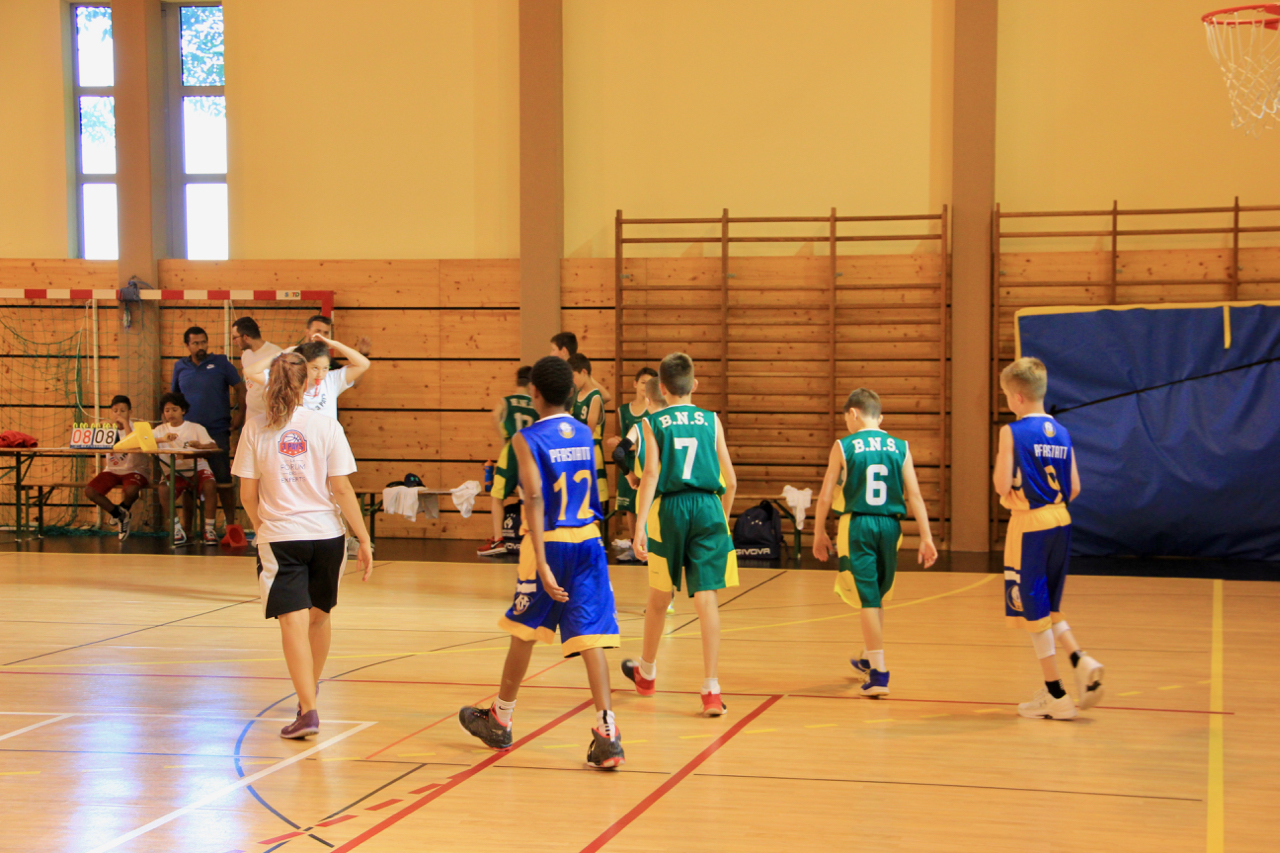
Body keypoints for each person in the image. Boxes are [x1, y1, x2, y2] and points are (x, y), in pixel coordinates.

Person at [458, 356, 624, 769]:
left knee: (524, 629)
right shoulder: (584, 431)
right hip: (589, 539)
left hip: (548, 541)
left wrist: (544, 562)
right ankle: (608, 732)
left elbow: (532, 496)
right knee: (590, 638)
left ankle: (500, 719)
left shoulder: (526, 438)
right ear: (570, 391)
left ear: (534, 392)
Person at [234, 351, 374, 740]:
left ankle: (308, 710)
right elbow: (341, 488)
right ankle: (306, 699)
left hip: (282, 537)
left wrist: (263, 527)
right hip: (328, 536)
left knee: (292, 623)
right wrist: (363, 538)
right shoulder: (326, 425)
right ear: (309, 383)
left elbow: (247, 495)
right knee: (319, 617)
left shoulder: (254, 428)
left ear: (269, 384)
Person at [625, 352, 738, 717]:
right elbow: (732, 480)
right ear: (695, 385)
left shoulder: (652, 422)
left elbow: (651, 475)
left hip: (669, 510)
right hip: (708, 507)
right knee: (706, 598)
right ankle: (711, 690)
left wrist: (640, 525)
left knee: (660, 595)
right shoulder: (711, 420)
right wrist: (721, 519)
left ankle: (647, 673)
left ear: (661, 388)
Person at [993, 357, 1104, 720]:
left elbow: (1000, 484)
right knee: (1050, 604)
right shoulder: (1063, 432)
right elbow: (1075, 487)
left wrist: (1011, 484)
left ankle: (1056, 695)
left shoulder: (1012, 431)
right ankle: (1080, 659)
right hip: (1061, 520)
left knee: (1034, 611)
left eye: (1006, 395)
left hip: (1030, 523)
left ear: (1018, 397)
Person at [811, 388, 939, 698]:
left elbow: (826, 495)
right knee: (878, 596)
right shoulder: (901, 446)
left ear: (853, 413)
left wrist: (818, 532)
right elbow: (915, 495)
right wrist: (926, 537)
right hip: (891, 526)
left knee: (867, 599)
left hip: (858, 524)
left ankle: (879, 674)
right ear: (879, 418)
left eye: (846, 418)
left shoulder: (843, 446)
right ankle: (870, 657)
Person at [170, 326, 245, 531]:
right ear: (187, 345)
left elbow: (240, 388)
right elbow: (174, 399)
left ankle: (231, 526)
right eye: (195, 343)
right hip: (189, 433)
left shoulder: (221, 362)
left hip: (217, 431)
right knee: (188, 479)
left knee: (223, 480)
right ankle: (188, 529)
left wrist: (240, 414)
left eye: (203, 342)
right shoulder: (180, 366)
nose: (200, 346)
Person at [478, 366, 539, 557]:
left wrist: (503, 438)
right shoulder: (536, 404)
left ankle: (498, 540)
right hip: (530, 453)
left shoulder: (505, 401)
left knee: (497, 496)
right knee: (528, 498)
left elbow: (494, 416)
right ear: (531, 384)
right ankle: (532, 539)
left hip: (512, 451)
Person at [247, 334, 370, 421]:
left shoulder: (332, 380)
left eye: (325, 368)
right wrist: (280, 354)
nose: (320, 374)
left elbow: (364, 364)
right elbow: (250, 372)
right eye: (315, 368)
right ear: (303, 365)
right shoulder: (288, 378)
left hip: (324, 445)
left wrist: (335, 344)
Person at [154, 392, 221, 546]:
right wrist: (162, 439)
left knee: (210, 485)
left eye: (174, 409)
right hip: (173, 471)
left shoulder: (195, 428)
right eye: (167, 410)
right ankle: (176, 528)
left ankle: (209, 529)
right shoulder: (159, 430)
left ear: (183, 410)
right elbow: (139, 440)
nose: (171, 413)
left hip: (196, 469)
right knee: (163, 489)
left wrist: (200, 446)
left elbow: (213, 446)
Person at [84, 394, 151, 542]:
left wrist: (125, 424)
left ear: (130, 412)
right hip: (113, 470)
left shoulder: (138, 427)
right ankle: (119, 514)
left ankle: (123, 508)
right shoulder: (108, 428)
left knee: (131, 490)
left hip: (135, 469)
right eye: (115, 411)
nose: (118, 414)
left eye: (122, 411)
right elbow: (93, 444)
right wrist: (99, 429)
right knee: (90, 491)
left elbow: (132, 444)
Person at [609, 367, 657, 560]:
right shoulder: (623, 410)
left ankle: (649, 546)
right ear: (635, 384)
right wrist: (618, 442)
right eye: (643, 382)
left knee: (647, 504)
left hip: (645, 462)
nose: (645, 386)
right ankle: (633, 544)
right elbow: (623, 440)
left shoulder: (653, 411)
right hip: (628, 465)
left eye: (650, 383)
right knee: (630, 506)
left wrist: (627, 446)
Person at [568, 354, 609, 507]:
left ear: (584, 372)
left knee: (593, 500)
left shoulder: (595, 397)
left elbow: (588, 430)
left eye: (573, 376)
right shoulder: (577, 395)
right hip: (577, 449)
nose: (572, 380)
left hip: (591, 451)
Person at [288, 314, 373, 389]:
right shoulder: (291, 354)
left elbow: (355, 381)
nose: (321, 336)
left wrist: (336, 344)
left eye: (325, 333)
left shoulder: (327, 361)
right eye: (317, 331)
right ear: (307, 332)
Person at [232, 317, 283, 421]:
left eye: (235, 337)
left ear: (245, 337)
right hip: (251, 417)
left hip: (269, 418)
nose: (234, 341)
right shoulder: (246, 355)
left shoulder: (276, 353)